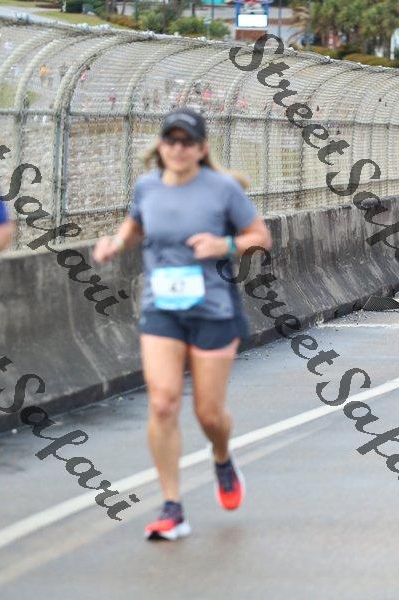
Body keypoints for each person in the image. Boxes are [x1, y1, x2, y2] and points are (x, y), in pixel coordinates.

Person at [93, 107, 272, 541]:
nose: (178, 148)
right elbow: (136, 225)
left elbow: (260, 238)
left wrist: (223, 244)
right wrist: (114, 243)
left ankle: (222, 457)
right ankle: (172, 507)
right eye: (170, 140)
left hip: (213, 309)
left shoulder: (223, 189)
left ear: (202, 148)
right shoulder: (147, 186)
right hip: (162, 308)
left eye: (187, 142)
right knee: (163, 404)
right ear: (161, 146)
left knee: (208, 413)